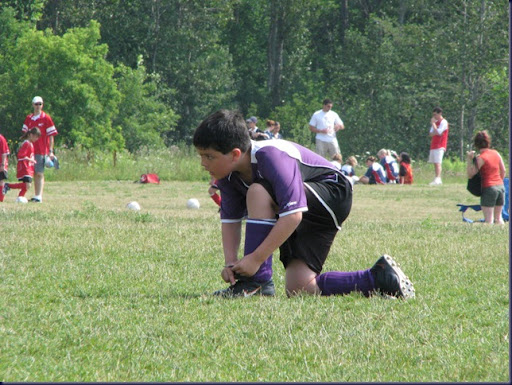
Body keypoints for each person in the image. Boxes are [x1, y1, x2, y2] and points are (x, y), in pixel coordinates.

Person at [193, 109, 415, 299]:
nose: (203, 163)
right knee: (299, 287)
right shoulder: (229, 176)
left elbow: (293, 216)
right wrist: (230, 263)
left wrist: (255, 259)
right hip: (302, 205)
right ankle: (378, 277)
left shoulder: (271, 156)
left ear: (235, 154)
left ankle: (257, 283)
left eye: (209, 156)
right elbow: (230, 220)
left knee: (258, 191)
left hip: (333, 192)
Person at [21, 96, 58, 202]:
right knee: (28, 173)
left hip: (41, 150)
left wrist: (50, 151)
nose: (38, 106)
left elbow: (51, 135)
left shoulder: (46, 118)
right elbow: (25, 133)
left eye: (40, 104)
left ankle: (38, 196)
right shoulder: (29, 118)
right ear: (33, 105)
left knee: (39, 173)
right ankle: (24, 194)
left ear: (42, 105)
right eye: (36, 104)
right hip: (30, 150)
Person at [466, 130, 506, 224]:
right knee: (499, 218)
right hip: (500, 187)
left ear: (476, 144)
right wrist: (499, 181)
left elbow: (471, 174)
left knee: (489, 220)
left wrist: (469, 160)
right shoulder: (496, 153)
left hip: (489, 188)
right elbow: (503, 170)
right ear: (488, 142)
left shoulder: (481, 158)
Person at [3, 127, 41, 200]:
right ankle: (8, 185)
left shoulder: (30, 144)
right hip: (25, 167)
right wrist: (30, 159)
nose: (36, 139)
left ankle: (20, 197)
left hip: (29, 168)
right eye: (35, 137)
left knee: (26, 185)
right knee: (27, 185)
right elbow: (20, 155)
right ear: (30, 135)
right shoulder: (26, 143)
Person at [428, 107, 448, 186]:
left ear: (440, 114)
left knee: (438, 162)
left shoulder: (444, 122)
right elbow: (431, 133)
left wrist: (433, 124)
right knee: (435, 163)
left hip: (440, 145)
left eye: (435, 114)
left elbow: (439, 133)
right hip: (434, 144)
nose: (434, 117)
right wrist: (435, 129)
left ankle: (438, 178)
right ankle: (436, 178)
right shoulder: (436, 122)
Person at [0, 130, 10, 202]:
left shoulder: (1, 138)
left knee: (0, 180)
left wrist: (2, 165)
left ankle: (1, 198)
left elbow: (4, 153)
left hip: (1, 163)